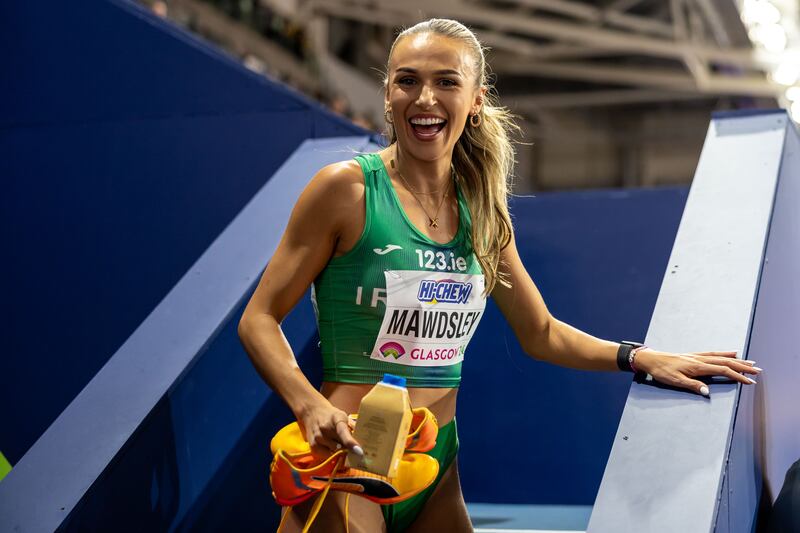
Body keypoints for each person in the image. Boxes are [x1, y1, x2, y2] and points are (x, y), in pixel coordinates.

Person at [237, 18, 761, 533]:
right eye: (408, 80)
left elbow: (542, 334)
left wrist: (639, 356)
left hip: (435, 464)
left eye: (446, 81)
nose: (425, 99)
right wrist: (308, 406)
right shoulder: (345, 190)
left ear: (476, 98)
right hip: (348, 459)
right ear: (388, 92)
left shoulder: (483, 212)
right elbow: (258, 318)